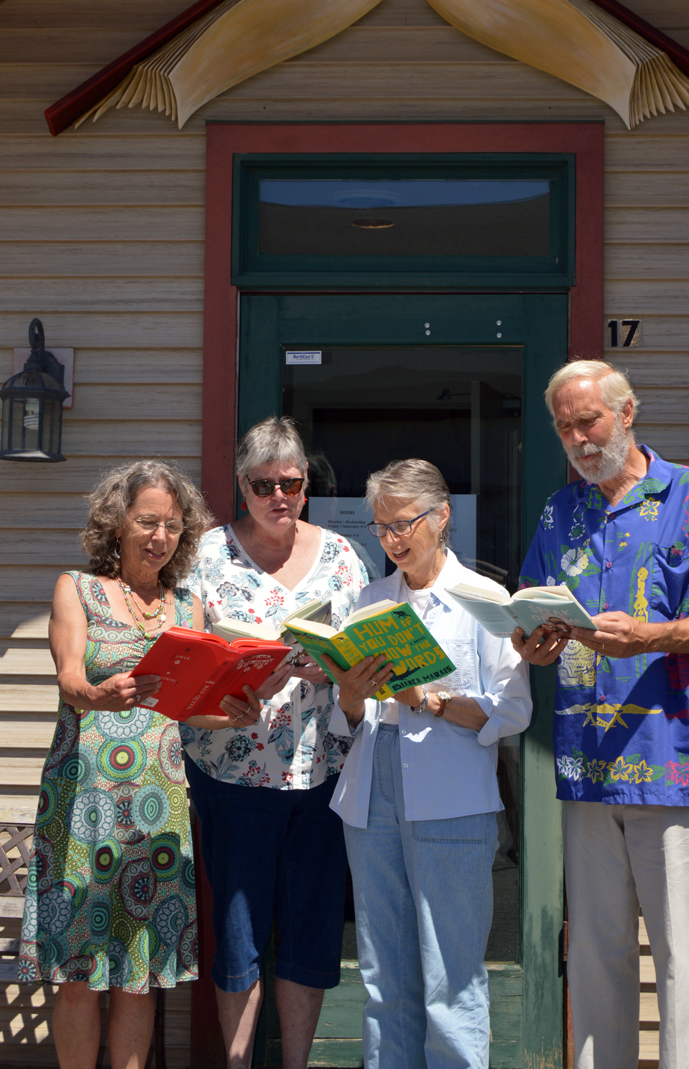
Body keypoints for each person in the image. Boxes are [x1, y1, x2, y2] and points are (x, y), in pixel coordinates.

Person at [514, 360, 689, 1069]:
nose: (580, 439)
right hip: (586, 768)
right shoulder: (561, 512)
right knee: (595, 959)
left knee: (682, 964)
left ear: (628, 412)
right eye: (565, 427)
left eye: (590, 420)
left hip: (677, 762)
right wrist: (535, 640)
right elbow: (531, 617)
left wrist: (649, 634)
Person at [326, 459, 532, 1069]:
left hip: (452, 795)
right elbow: (350, 720)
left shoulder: (485, 598)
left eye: (403, 524)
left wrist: (430, 701)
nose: (392, 540)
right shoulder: (369, 598)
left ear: (442, 517)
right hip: (370, 792)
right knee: (382, 971)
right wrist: (350, 692)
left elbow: (514, 710)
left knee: (452, 975)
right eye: (381, 528)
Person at [18, 459, 216, 1069]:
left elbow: (195, 709)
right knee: (77, 973)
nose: (160, 536)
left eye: (174, 526)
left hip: (157, 810)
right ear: (117, 522)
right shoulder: (75, 589)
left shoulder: (189, 607)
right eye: (147, 521)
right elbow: (72, 678)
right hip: (83, 808)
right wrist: (98, 695)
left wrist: (233, 713)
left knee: (139, 971)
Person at [184, 417, 367, 1069]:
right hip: (231, 777)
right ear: (242, 484)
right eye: (263, 484)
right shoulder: (205, 556)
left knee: (311, 934)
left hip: (321, 773)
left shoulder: (344, 557)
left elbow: (365, 662)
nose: (278, 496)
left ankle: (296, 1062)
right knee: (239, 935)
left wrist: (338, 667)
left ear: (306, 483)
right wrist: (229, 683)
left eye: (290, 482)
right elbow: (184, 666)